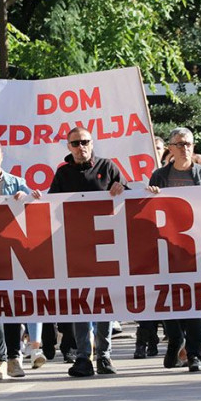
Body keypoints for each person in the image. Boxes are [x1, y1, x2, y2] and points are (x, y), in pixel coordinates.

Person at [48, 126, 127, 377]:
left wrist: (122, 189)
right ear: (68, 147)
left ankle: (104, 355)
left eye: (85, 142)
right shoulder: (62, 174)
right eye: (75, 143)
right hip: (75, 246)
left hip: (105, 246)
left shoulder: (108, 167)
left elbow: (128, 196)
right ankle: (84, 357)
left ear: (92, 144)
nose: (81, 147)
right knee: (81, 303)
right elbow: (49, 206)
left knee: (104, 302)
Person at [0, 135, 42, 378]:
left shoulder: (16, 183)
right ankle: (0, 359)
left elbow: (40, 205)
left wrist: (29, 199)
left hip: (13, 255)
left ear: (1, 156)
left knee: (12, 307)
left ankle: (15, 358)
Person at [147, 127, 201, 371]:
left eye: (188, 143)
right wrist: (152, 196)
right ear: (171, 148)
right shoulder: (159, 176)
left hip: (196, 249)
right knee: (169, 298)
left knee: (196, 301)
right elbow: (149, 212)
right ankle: (176, 337)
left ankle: (195, 353)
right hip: (167, 249)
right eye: (180, 144)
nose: (185, 147)